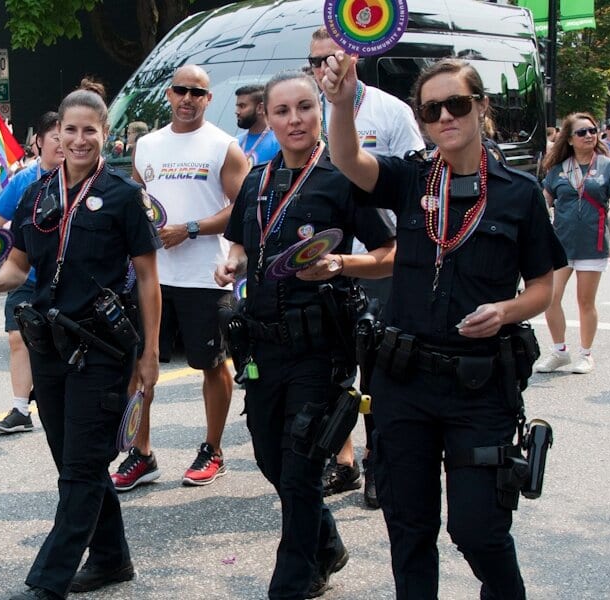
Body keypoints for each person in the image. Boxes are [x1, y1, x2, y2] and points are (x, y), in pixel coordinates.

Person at [323, 53, 566, 599]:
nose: (444, 118)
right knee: (409, 529)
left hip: (479, 388)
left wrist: (505, 311)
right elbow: (348, 158)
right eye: (431, 110)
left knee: (478, 530)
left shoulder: (519, 194)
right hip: (404, 382)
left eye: (457, 104)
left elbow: (544, 288)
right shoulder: (411, 177)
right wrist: (340, 103)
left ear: (481, 107)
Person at [0, 88, 161, 600]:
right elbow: (20, 265)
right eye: (68, 131)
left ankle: (47, 582)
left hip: (103, 348)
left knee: (81, 466)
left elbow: (147, 278)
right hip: (48, 345)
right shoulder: (36, 194)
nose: (78, 139)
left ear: (105, 135)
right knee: (74, 460)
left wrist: (151, 354)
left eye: (88, 131)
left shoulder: (122, 196)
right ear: (55, 136)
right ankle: (112, 558)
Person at [215, 69, 396, 599]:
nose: (295, 120)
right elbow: (244, 246)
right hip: (263, 346)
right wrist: (232, 264)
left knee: (300, 468)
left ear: (321, 111)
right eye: (282, 111)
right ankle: (327, 544)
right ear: (267, 118)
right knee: (273, 462)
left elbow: (389, 257)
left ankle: (290, 584)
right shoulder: (256, 179)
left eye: (305, 108)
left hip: (321, 348)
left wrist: (342, 264)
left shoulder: (343, 177)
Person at [113, 64, 249, 491]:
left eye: (197, 92)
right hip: (152, 275)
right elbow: (136, 198)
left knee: (211, 365)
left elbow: (241, 209)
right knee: (141, 364)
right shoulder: (147, 145)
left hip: (205, 276)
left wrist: (189, 228)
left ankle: (213, 449)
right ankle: (142, 452)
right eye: (180, 91)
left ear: (209, 99)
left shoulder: (224, 146)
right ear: (168, 95)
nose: (188, 98)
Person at [309, 27, 427, 505]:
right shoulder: (305, 108)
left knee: (377, 368)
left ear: (353, 56)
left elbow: (415, 177)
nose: (324, 69)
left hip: (377, 256)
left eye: (331, 58)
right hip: (320, 260)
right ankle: (344, 461)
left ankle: (381, 461)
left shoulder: (390, 110)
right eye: (315, 61)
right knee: (331, 370)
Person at [0, 111, 64, 434]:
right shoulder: (24, 180)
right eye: (57, 137)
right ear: (39, 142)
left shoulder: (80, 180)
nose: (64, 144)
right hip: (25, 274)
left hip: (64, 278)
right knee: (16, 337)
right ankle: (21, 409)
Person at [535, 112, 610, 374]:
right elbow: (542, 202)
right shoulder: (557, 169)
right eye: (582, 132)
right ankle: (559, 351)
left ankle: (586, 353)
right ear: (569, 139)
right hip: (561, 243)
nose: (589, 135)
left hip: (593, 242)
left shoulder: (607, 166)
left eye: (592, 130)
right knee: (550, 298)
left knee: (585, 301)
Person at [235, 83, 280, 166]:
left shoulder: (278, 142)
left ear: (260, 108)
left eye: (242, 106)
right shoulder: (234, 143)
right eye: (237, 106)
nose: (237, 112)